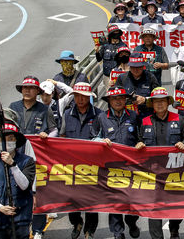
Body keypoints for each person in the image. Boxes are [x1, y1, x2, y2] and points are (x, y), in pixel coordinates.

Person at [137, 87, 184, 239]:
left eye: (162, 101)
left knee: (176, 204)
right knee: (153, 207)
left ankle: (174, 229)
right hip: (152, 172)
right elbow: (139, 140)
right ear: (151, 104)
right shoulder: (145, 121)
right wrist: (139, 144)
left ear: (168, 102)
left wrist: (183, 143)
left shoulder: (179, 119)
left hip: (174, 171)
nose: (159, 104)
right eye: (156, 101)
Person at [9, 76, 55, 239]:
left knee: (38, 191)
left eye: (31, 88)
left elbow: (53, 129)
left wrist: (46, 135)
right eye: (24, 88)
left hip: (38, 156)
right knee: (17, 189)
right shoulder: (12, 108)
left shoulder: (44, 109)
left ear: (38, 91)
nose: (27, 91)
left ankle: (37, 229)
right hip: (16, 157)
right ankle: (19, 226)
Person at [93, 86, 141, 239]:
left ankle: (132, 222)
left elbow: (141, 138)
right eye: (114, 98)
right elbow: (92, 138)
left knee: (132, 202)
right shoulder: (101, 118)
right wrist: (101, 140)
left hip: (131, 167)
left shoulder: (133, 115)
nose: (118, 101)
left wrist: (140, 144)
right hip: (110, 168)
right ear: (109, 101)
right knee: (114, 202)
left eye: (121, 98)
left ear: (125, 100)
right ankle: (117, 232)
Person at [0, 120, 36, 239]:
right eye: (2, 139)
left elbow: (25, 185)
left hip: (21, 217)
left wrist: (13, 165)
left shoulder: (27, 162)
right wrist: (0, 208)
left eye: (10, 138)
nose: (6, 142)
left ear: (16, 140)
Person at [59, 83, 101, 239]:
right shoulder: (67, 114)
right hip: (72, 166)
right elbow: (62, 137)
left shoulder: (99, 114)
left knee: (92, 200)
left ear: (89, 97)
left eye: (83, 96)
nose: (80, 99)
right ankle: (76, 222)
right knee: (72, 198)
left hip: (93, 166)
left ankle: (90, 230)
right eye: (77, 96)